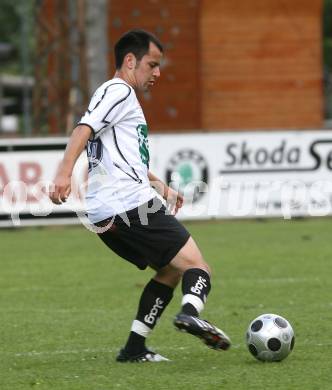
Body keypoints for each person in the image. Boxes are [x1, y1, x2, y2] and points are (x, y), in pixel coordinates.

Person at [49, 29, 231, 363]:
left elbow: (119, 155)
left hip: (108, 212)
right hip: (127, 204)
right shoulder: (118, 90)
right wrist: (63, 172)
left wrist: (158, 183)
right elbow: (83, 128)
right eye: (152, 64)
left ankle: (134, 348)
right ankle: (190, 313)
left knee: (171, 271)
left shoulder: (118, 98)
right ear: (130, 61)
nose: (158, 73)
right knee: (197, 267)